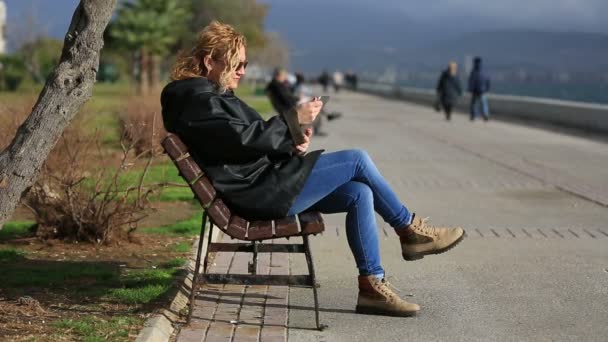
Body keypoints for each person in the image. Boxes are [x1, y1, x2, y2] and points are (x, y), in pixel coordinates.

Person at [161, 21, 465, 317]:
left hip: (263, 183)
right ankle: (408, 229)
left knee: (359, 193)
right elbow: (243, 139)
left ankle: (372, 286)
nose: (243, 70)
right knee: (357, 159)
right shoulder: (195, 100)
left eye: (245, 63)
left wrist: (291, 142)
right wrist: (292, 118)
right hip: (258, 193)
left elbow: (240, 142)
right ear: (208, 61)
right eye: (236, 63)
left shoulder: (208, 97)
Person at [468, 56, 491, 121]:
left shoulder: (473, 71)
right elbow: (488, 80)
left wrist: (470, 89)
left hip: (475, 90)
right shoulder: (484, 71)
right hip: (482, 90)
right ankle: (486, 115)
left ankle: (473, 115)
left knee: (474, 104)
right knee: (484, 103)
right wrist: (487, 88)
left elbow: (471, 81)